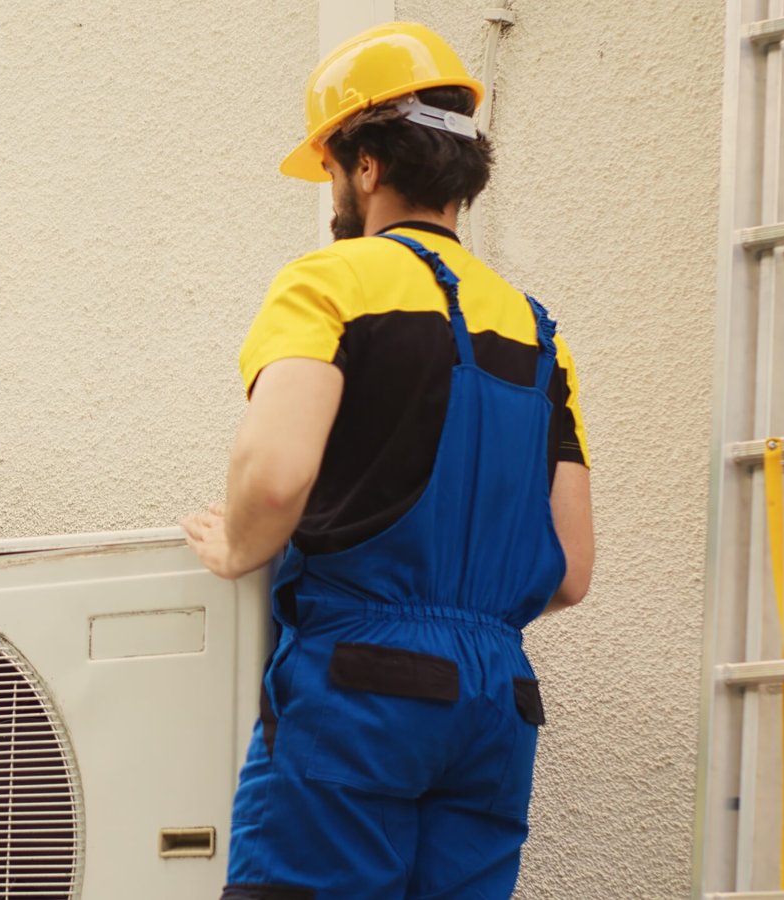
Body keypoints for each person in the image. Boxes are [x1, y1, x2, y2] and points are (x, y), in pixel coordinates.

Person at [181, 22, 595, 899]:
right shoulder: (537, 333)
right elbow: (571, 572)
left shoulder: (330, 283)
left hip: (359, 684)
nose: (332, 188)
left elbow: (277, 473)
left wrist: (235, 548)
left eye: (331, 165)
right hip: (496, 706)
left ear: (366, 165)